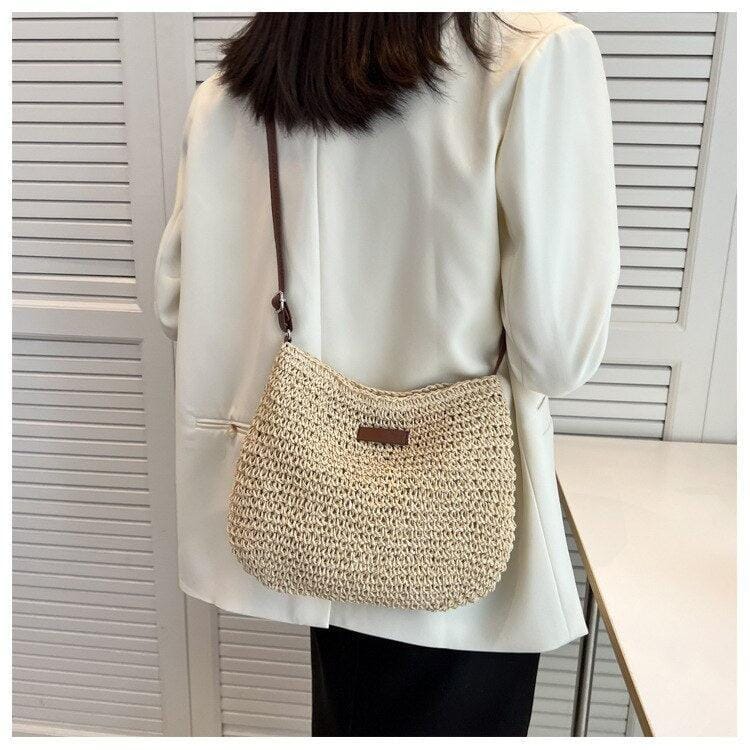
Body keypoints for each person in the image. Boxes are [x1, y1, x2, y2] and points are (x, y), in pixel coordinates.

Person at [154, 11, 620, 737]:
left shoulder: (238, 87)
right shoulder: (531, 57)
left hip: (305, 515)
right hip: (455, 535)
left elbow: (176, 302)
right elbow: (555, 356)